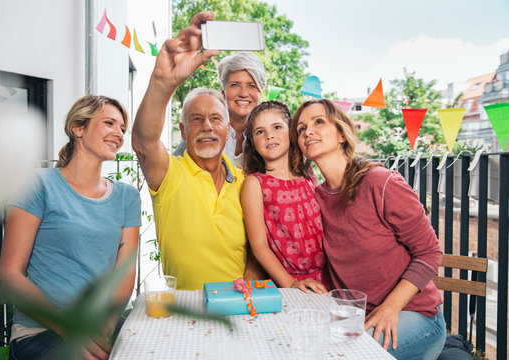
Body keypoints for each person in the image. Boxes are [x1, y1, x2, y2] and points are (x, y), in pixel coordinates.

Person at [290, 99, 446, 359]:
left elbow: (430, 253)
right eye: (301, 128)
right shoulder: (314, 197)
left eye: (319, 122)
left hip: (413, 315)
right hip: (353, 315)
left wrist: (389, 308)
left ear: (341, 133)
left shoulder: (381, 183)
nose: (307, 132)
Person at [0, 95, 141, 360]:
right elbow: (10, 275)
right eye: (109, 123)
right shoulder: (36, 184)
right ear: (78, 128)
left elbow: (124, 273)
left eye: (122, 128)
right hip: (41, 330)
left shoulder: (127, 196)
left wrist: (110, 320)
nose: (119, 134)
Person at [132, 12, 264, 291]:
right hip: (185, 310)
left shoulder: (246, 181)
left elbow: (257, 243)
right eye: (196, 119)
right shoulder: (171, 174)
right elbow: (144, 142)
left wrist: (250, 279)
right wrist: (162, 82)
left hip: (239, 306)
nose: (206, 127)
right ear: (182, 130)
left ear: (228, 129)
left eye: (216, 119)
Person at [241, 100, 329, 294]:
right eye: (260, 132)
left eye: (277, 127)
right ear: (253, 144)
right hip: (288, 283)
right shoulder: (254, 184)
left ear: (291, 133)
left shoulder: (308, 178)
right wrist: (290, 284)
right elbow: (259, 246)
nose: (269, 135)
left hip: (327, 278)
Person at [173, 51, 266, 166]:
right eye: (235, 85)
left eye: (251, 85)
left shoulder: (268, 134)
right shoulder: (204, 129)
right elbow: (171, 169)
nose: (243, 93)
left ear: (260, 93)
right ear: (223, 91)